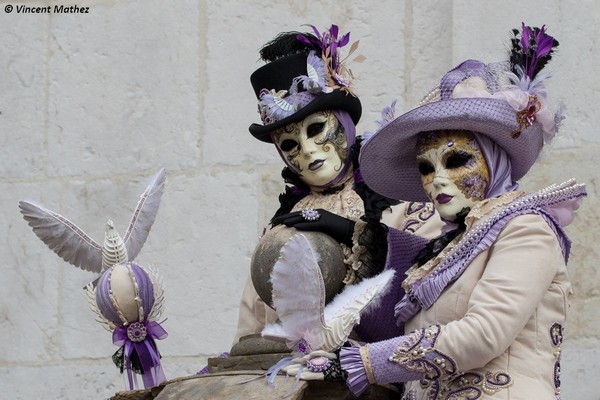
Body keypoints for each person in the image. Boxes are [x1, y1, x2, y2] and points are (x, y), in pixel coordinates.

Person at [338, 23, 587, 399]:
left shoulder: (526, 227)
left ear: (494, 159)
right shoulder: (441, 249)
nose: (437, 179)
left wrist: (368, 363)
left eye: (456, 160)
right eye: (426, 167)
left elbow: (484, 333)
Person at [233, 24, 440, 351]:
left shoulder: (405, 200)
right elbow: (253, 333)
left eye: (317, 129)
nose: (309, 150)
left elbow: (431, 292)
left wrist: (355, 234)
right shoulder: (281, 228)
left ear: (344, 120)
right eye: (289, 144)